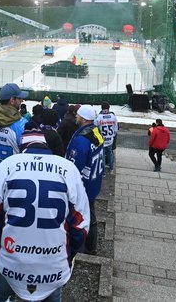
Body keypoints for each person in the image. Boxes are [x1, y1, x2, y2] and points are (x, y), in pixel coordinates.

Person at [0, 124, 90, 302]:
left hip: (12, 260)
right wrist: (68, 253)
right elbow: (81, 223)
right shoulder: (68, 169)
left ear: (23, 146)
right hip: (53, 262)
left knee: (1, 296)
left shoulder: (8, 165)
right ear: (45, 145)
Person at [65, 104, 104, 255]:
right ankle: (91, 245)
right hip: (94, 182)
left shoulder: (81, 141)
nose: (76, 117)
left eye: (78, 115)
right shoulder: (96, 131)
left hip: (84, 187)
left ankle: (83, 247)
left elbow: (73, 168)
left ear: (83, 118)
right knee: (91, 213)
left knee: (81, 216)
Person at [94, 102, 118, 172]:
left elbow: (95, 127)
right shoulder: (113, 116)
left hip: (102, 139)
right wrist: (113, 135)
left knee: (102, 154)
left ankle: (103, 171)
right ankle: (111, 167)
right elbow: (116, 128)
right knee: (110, 152)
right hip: (110, 139)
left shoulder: (99, 117)